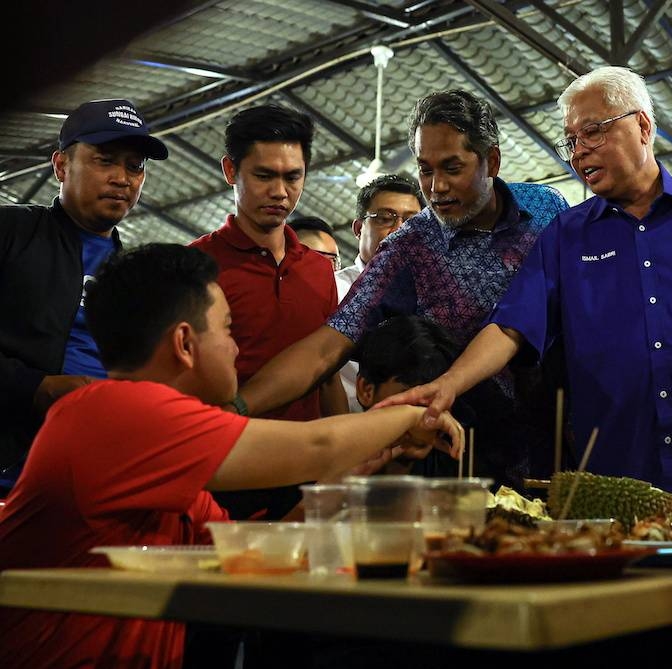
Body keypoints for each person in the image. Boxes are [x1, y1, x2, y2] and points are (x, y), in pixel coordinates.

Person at [0, 244, 462, 669]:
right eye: (228, 329)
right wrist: (416, 413)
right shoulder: (115, 412)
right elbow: (317, 446)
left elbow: (242, 557)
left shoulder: (161, 450)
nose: (237, 348)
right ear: (185, 343)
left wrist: (338, 489)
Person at [387, 67, 672, 528]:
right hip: (617, 492)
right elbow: (511, 326)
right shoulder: (566, 235)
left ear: (642, 126)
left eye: (592, 133)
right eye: (571, 140)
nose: (579, 152)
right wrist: (449, 384)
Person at [236, 90, 569, 488]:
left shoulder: (548, 209)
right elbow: (327, 347)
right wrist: (236, 407)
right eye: (425, 170)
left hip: (571, 442)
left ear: (491, 161)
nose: (437, 187)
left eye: (452, 168)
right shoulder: (410, 248)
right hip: (465, 462)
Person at [0, 98, 168, 495]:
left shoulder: (134, 277)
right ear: (61, 165)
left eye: (135, 166)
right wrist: (36, 386)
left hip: (92, 476)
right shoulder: (10, 233)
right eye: (105, 160)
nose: (122, 178)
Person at [190, 105, 340, 520]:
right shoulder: (195, 266)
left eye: (292, 177)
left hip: (305, 468)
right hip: (228, 468)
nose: (280, 192)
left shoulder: (317, 269)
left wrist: (343, 461)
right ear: (230, 171)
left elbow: (327, 374)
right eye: (264, 176)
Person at [335, 174, 424, 413]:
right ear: (358, 228)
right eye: (385, 218)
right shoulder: (334, 290)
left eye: (411, 222)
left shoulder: (433, 294)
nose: (398, 230)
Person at [355, 316, 461, 478]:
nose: (424, 420)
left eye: (435, 402)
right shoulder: (322, 470)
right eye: (408, 402)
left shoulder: (457, 481)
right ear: (366, 390)